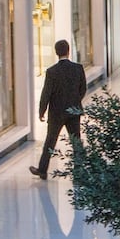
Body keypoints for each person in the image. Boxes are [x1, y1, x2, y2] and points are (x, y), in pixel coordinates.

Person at [30, 39, 87, 180]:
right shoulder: (78, 68)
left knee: (50, 140)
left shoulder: (51, 72)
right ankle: (79, 169)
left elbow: (46, 93)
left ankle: (42, 170)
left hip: (56, 112)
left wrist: (41, 111)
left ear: (56, 53)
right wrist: (75, 101)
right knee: (76, 140)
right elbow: (83, 88)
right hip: (73, 111)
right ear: (68, 51)